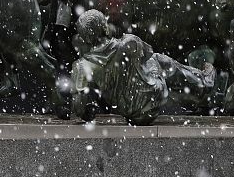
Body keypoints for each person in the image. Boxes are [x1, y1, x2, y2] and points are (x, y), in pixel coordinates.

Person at [71, 10, 224, 125]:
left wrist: (89, 113)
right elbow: (147, 53)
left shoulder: (81, 67)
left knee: (154, 64)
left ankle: (196, 89)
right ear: (104, 27)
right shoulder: (129, 42)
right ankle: (203, 81)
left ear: (84, 37)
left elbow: (80, 106)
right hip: (151, 101)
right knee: (157, 59)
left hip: (129, 113)